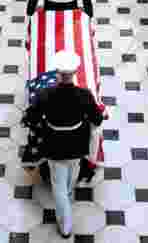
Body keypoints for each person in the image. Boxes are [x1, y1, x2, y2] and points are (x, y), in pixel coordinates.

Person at [23, 50, 104, 238]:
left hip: (54, 146)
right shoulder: (85, 94)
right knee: (70, 176)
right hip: (77, 146)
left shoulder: (45, 94)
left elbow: (31, 118)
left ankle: (65, 224)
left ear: (57, 73)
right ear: (75, 73)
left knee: (57, 184)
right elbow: (97, 119)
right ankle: (67, 200)